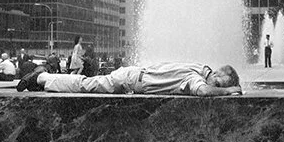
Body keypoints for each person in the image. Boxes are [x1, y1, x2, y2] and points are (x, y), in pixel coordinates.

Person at [17, 62, 243, 97]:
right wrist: (227, 91)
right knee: (86, 85)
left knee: (88, 83)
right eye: (219, 84)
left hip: (134, 76)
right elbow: (203, 92)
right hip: (132, 79)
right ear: (216, 74)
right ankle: (42, 76)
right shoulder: (195, 76)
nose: (217, 87)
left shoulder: (198, 67)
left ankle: (43, 80)